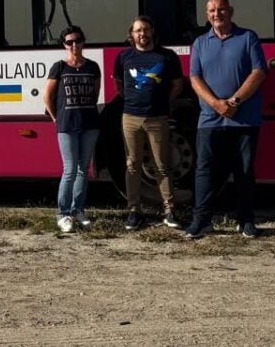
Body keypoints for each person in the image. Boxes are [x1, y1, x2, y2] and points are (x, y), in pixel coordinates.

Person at [186, 0, 267, 238]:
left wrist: (234, 101)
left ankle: (245, 220)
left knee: (244, 170)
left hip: (244, 117)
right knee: (204, 170)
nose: (216, 14)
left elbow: (259, 71)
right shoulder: (200, 43)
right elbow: (194, 78)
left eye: (221, 9)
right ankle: (201, 221)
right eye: (212, 10)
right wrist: (215, 104)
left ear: (230, 11)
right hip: (210, 118)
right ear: (206, 15)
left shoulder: (248, 37)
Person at [112, 15, 184, 230]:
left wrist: (162, 103)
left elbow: (178, 85)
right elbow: (119, 85)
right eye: (138, 30)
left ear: (152, 32)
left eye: (146, 29)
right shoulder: (123, 57)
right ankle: (134, 211)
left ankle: (169, 211)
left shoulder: (167, 57)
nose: (142, 33)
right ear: (131, 34)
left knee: (162, 165)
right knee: (132, 165)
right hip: (130, 119)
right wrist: (132, 102)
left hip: (158, 119)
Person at [44, 24, 101, 232]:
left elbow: (94, 95)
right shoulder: (59, 67)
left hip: (89, 124)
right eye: (69, 42)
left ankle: (78, 210)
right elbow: (47, 96)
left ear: (83, 42)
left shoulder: (93, 67)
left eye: (77, 41)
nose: (74, 45)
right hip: (67, 126)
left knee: (83, 170)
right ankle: (63, 213)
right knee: (69, 170)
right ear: (64, 45)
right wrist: (56, 119)